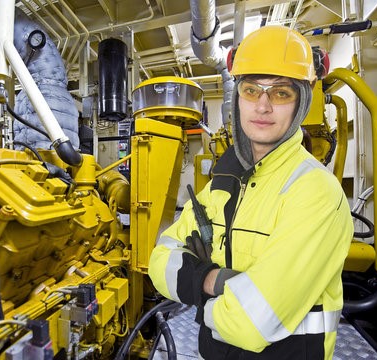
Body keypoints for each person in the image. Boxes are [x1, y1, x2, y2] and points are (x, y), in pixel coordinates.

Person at [148, 25, 353, 360]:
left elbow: (249, 323)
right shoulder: (222, 186)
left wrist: (203, 306)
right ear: (237, 98)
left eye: (282, 92)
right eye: (251, 90)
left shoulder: (316, 192)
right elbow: (160, 262)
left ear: (301, 103)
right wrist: (210, 280)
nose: (263, 106)